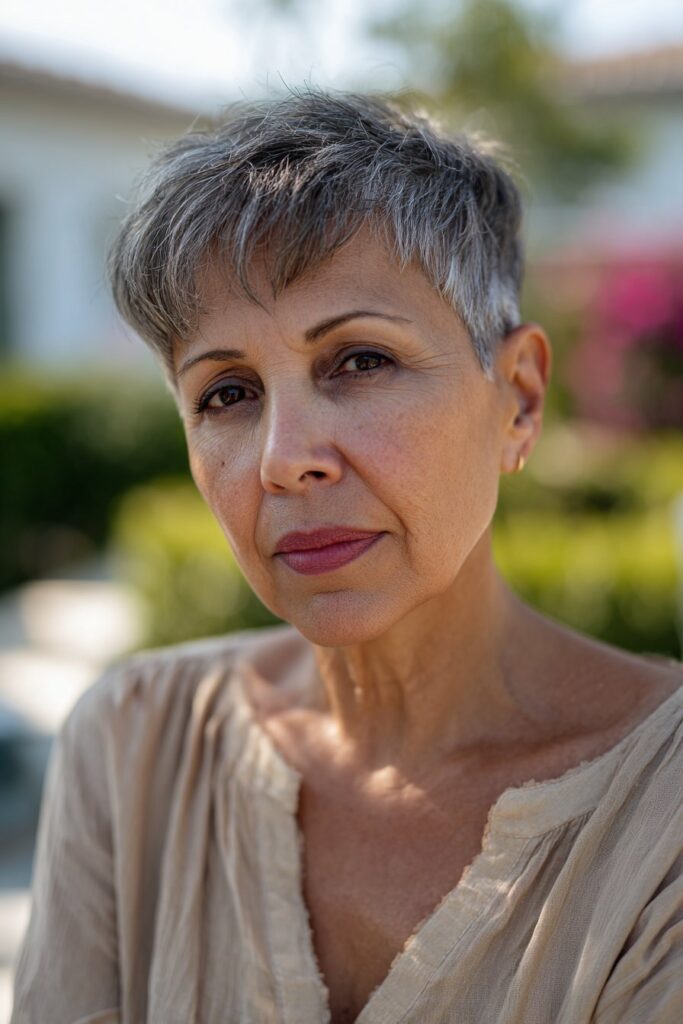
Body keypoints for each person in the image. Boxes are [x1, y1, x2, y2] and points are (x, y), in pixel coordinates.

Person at [11, 89, 683, 1024]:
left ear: (518, 398)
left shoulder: (660, 822)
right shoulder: (135, 749)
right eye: (227, 392)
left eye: (360, 361)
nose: (286, 460)